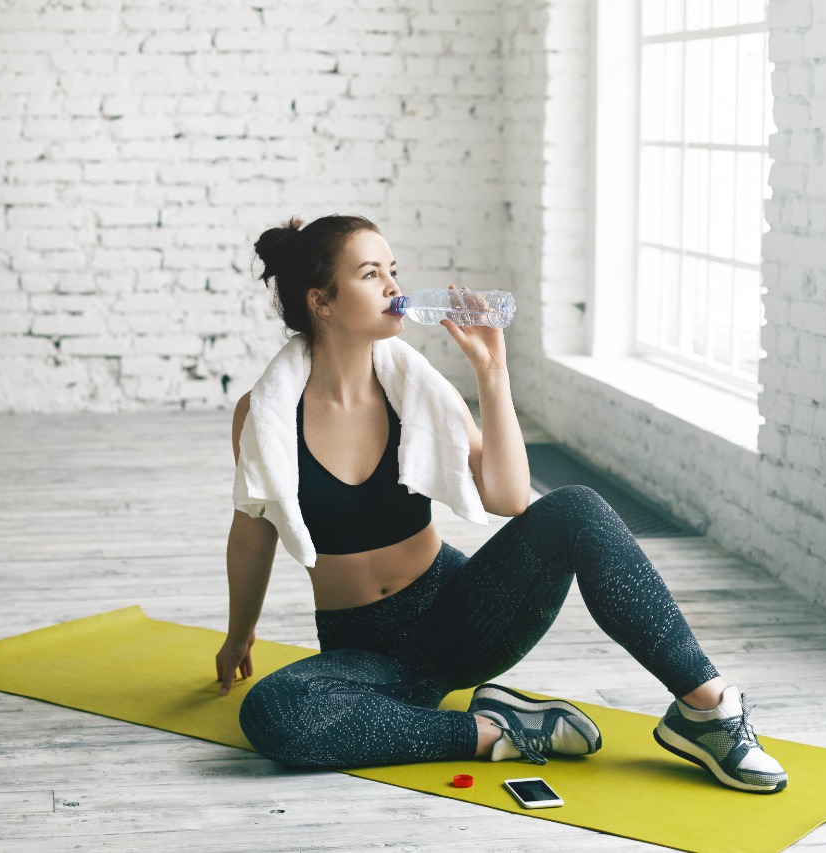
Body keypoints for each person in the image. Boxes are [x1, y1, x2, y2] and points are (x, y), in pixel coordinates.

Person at [215, 213, 788, 794]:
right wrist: (240, 634)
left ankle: (704, 710)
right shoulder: (265, 415)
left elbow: (510, 498)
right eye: (370, 274)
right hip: (366, 654)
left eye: (393, 270)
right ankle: (497, 730)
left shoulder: (418, 391)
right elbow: (252, 532)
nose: (393, 286)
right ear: (322, 302)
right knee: (273, 713)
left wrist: (492, 371)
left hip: (462, 617)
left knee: (577, 509)